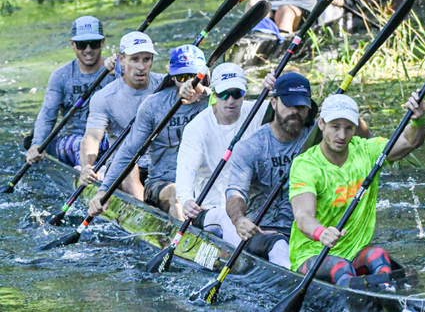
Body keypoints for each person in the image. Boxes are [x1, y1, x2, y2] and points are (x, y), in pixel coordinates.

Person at [225, 72, 371, 268]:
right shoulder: (251, 147)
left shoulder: (323, 134)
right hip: (266, 232)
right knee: (279, 246)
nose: (295, 111)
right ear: (274, 102)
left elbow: (364, 142)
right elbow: (235, 193)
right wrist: (239, 219)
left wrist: (342, 108)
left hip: (312, 231)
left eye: (301, 106)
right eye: (289, 105)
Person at [289, 93, 425, 289]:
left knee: (378, 256)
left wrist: (419, 120)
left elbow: (409, 142)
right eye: (335, 127)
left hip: (355, 252)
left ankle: (387, 297)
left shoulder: (366, 151)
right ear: (321, 124)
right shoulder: (305, 165)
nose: (342, 136)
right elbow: (302, 215)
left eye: (348, 128)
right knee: (340, 267)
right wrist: (321, 233)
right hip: (312, 255)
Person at [88, 45, 210, 220]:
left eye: (194, 77)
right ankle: (181, 243)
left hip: (205, 182)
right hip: (163, 184)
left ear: (204, 76)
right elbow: (129, 152)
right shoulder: (153, 105)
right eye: (182, 77)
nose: (188, 84)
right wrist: (103, 190)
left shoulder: (217, 101)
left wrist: (204, 91)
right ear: (171, 75)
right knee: (178, 193)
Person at [176, 63, 271, 245]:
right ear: (213, 93)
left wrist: (276, 87)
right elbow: (185, 171)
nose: (231, 100)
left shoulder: (258, 111)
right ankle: (241, 259)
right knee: (225, 217)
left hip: (251, 204)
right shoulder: (197, 128)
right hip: (211, 209)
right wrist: (187, 199)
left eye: (237, 93)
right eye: (223, 94)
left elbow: (291, 113)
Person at [79, 31, 163, 201]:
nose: (141, 66)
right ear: (121, 60)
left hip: (160, 164)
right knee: (128, 167)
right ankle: (144, 210)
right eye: (134, 59)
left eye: (146, 60)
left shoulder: (166, 86)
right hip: (123, 166)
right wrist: (87, 166)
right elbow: (93, 138)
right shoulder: (104, 98)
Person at [26, 16, 115, 167]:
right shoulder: (61, 76)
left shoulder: (115, 72)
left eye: (93, 44)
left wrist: (122, 72)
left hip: (104, 138)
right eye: (81, 45)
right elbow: (48, 114)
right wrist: (37, 144)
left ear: (102, 42)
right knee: (82, 145)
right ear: (72, 44)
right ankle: (88, 173)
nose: (88, 50)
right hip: (71, 140)